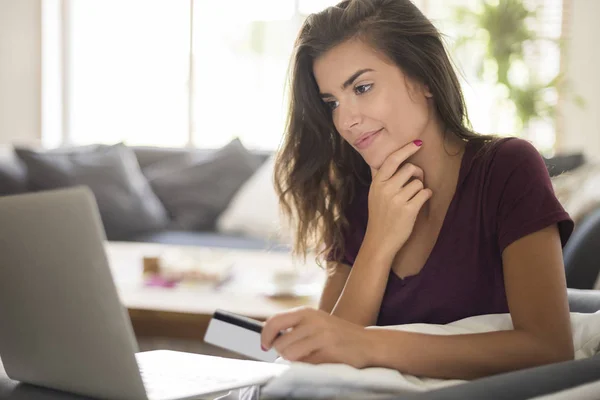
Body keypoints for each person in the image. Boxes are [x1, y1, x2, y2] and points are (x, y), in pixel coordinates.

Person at [261, 0, 575, 380]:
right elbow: (328, 359)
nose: (345, 120)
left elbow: (549, 349)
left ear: (423, 77)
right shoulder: (358, 191)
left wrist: (370, 345)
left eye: (362, 87)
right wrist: (379, 240)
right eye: (332, 103)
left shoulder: (508, 169)